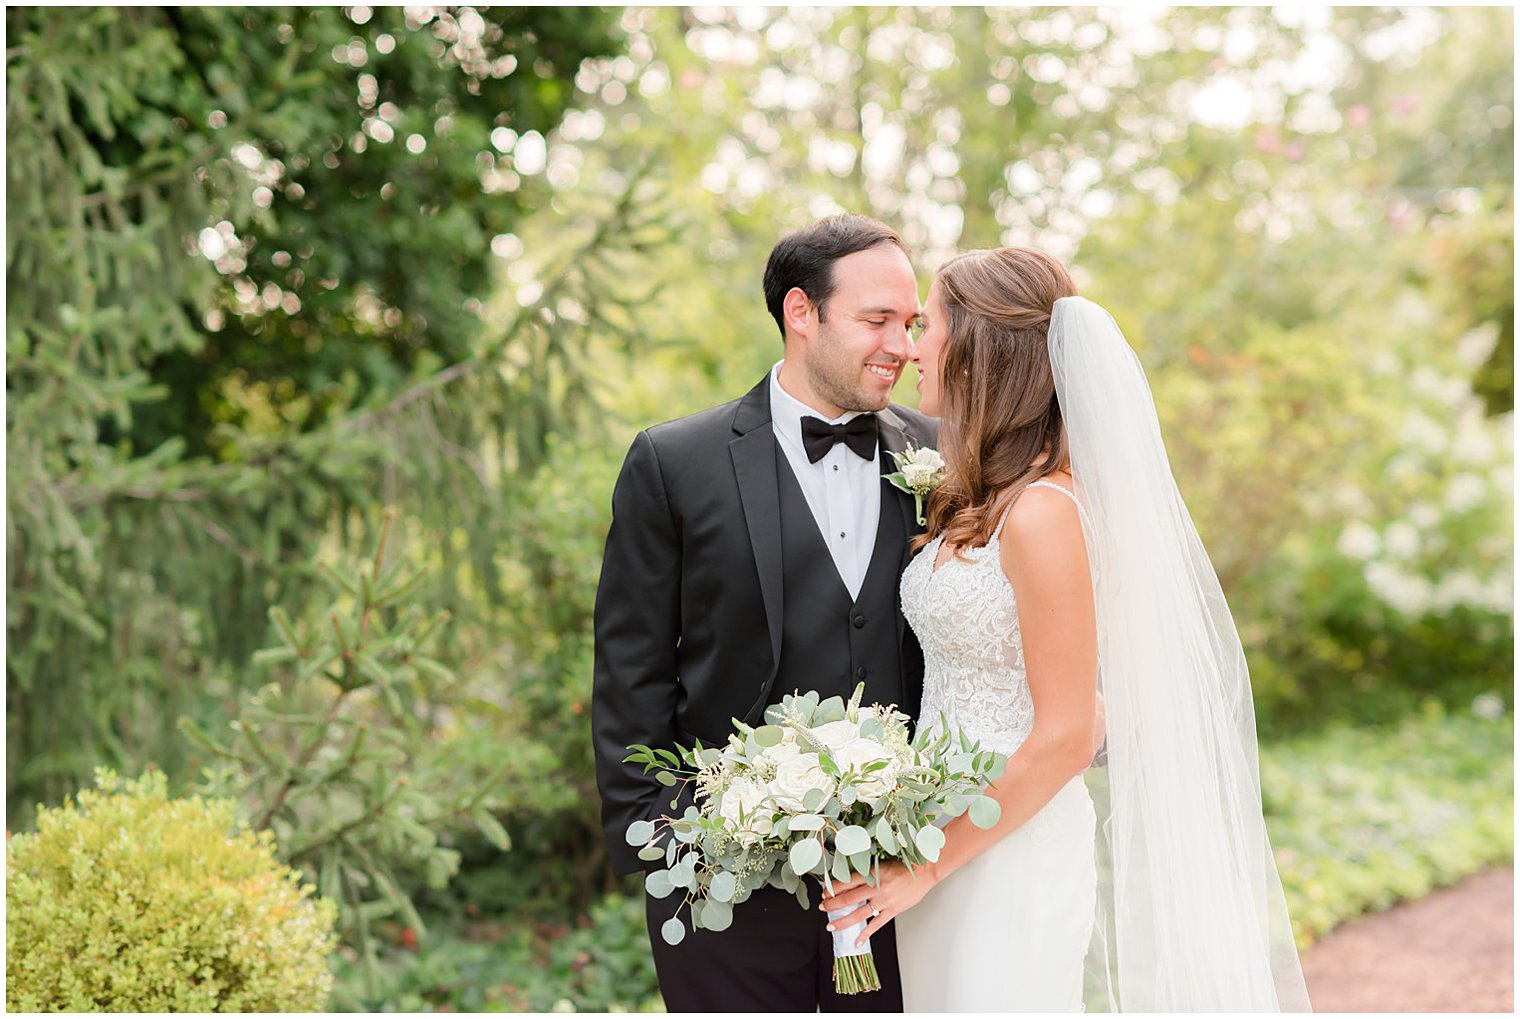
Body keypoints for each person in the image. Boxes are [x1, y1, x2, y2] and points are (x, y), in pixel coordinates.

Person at [820, 248, 1312, 1012]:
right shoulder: (985, 496)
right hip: (940, 836)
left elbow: (1067, 732)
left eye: (931, 326)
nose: (914, 348)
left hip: (1003, 850)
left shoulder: (1045, 512)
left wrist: (926, 866)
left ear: (983, 350)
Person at [591, 214, 937, 1011]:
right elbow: (630, 665)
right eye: (878, 319)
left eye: (912, 323)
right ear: (800, 313)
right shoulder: (675, 461)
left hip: (907, 877)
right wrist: (664, 840)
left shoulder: (944, 453)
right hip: (725, 876)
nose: (905, 345)